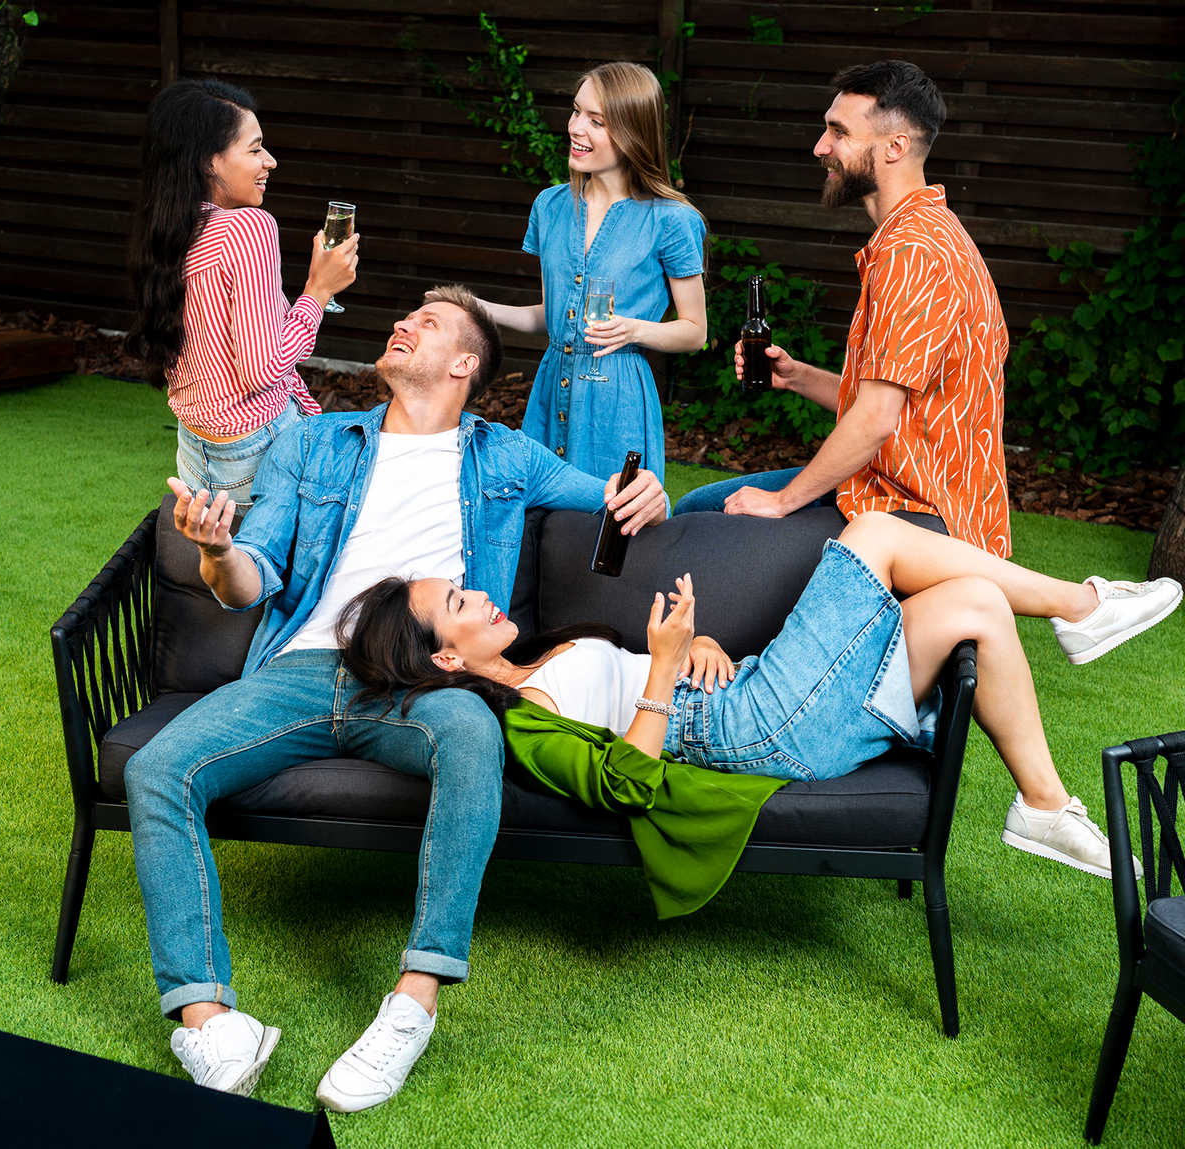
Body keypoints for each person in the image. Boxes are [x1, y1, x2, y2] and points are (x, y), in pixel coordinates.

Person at [122, 285, 667, 1110]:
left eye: (430, 321)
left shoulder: (506, 455)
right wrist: (216, 551)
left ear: (463, 364)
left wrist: (649, 491)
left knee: (471, 735)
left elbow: (615, 494)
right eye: (406, 313)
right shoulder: (315, 443)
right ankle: (206, 1020)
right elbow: (250, 578)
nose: (404, 322)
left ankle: (413, 1003)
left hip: (422, 679)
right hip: (299, 671)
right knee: (157, 768)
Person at [342, 516, 1182, 899]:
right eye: (459, 601)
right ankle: (1083, 603)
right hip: (741, 732)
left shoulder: (541, 654)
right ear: (448, 658)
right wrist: (666, 671)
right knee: (878, 534)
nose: (481, 594)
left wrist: (694, 650)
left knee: (976, 606)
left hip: (744, 697)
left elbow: (647, 669)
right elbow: (625, 780)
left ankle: (1042, 805)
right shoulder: (513, 721)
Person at [674, 60, 1010, 559]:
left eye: (838, 132)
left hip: (925, 517)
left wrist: (782, 502)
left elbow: (875, 420)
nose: (820, 147)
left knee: (699, 521)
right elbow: (902, 410)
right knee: (701, 506)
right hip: (907, 494)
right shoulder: (930, 230)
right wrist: (798, 376)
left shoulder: (910, 252)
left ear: (895, 146)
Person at [125, 77, 359, 510]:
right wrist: (318, 290)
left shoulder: (167, 231)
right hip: (257, 448)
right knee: (278, 574)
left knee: (222, 572)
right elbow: (263, 369)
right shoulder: (248, 228)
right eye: (254, 149)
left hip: (196, 448)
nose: (270, 161)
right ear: (205, 161)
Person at [476, 61, 708, 484]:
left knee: (610, 529)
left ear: (632, 133)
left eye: (596, 121)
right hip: (550, 388)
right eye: (576, 111)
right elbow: (550, 316)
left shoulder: (671, 221)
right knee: (537, 521)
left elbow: (695, 331)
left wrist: (631, 330)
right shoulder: (549, 206)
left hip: (617, 402)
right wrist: (474, 307)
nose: (576, 128)